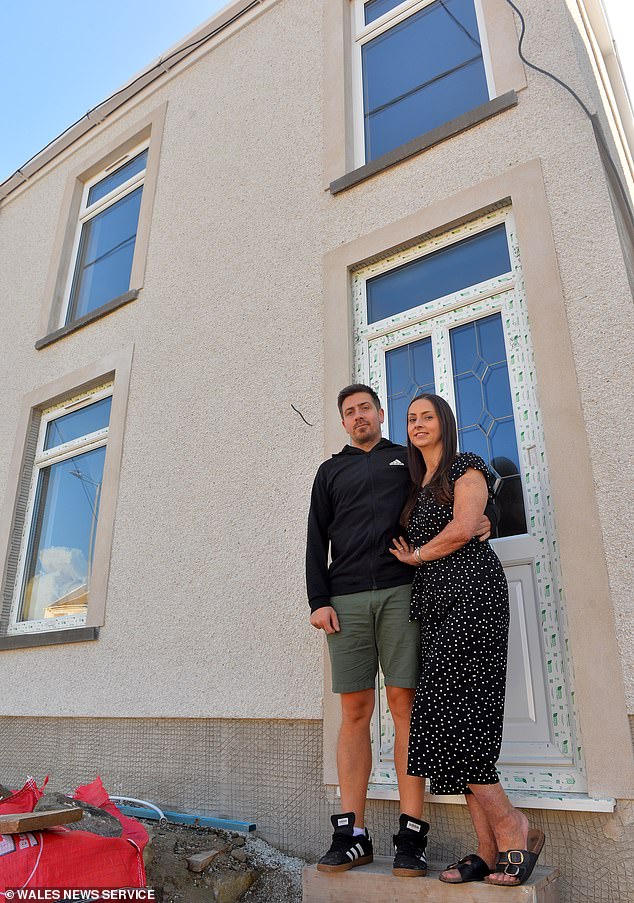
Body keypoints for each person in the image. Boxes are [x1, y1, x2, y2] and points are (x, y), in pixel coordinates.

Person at [306, 384, 494, 877]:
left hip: (401, 592)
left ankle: (411, 836)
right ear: (343, 422)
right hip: (344, 600)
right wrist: (318, 600)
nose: (358, 416)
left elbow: (444, 499)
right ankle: (351, 833)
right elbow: (314, 540)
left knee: (404, 704)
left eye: (365, 407)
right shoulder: (329, 471)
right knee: (354, 709)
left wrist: (483, 518)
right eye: (349, 411)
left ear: (380, 413)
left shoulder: (406, 463)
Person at [389, 393, 545, 887]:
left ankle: (513, 826)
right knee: (444, 722)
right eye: (411, 418)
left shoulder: (466, 465)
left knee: (467, 717)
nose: (417, 424)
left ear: (445, 423)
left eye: (427, 416)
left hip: (473, 599)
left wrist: (418, 556)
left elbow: (463, 526)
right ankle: (486, 848)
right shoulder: (416, 488)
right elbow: (461, 525)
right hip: (436, 611)